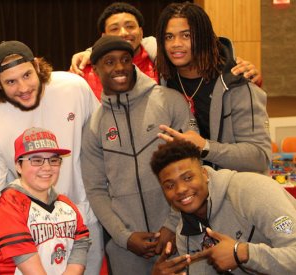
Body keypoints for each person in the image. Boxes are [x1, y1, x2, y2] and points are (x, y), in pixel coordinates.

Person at [0, 40, 103, 274]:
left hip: (83, 220)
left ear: (36, 66)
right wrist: (2, 245)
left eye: (26, 75)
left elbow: (101, 145)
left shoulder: (74, 88)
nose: (23, 88)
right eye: (11, 82)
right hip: (26, 234)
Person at [80, 35, 196, 274]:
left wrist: (173, 224)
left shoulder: (170, 102)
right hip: (126, 251)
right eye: (109, 62)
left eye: (125, 59)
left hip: (180, 237)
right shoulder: (93, 126)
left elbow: (194, 168)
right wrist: (124, 237)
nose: (120, 67)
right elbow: (96, 189)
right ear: (96, 69)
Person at [155, 2, 271, 174]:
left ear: (203, 37)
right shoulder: (161, 81)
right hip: (186, 193)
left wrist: (205, 147)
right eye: (168, 37)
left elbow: (260, 158)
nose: (176, 44)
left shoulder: (237, 83)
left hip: (234, 193)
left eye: (186, 35)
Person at [150, 139, 296, 274]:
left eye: (188, 178)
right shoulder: (184, 235)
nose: (180, 189)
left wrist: (244, 253)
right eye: (170, 185)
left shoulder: (254, 191)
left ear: (204, 174)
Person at [69, 2, 262, 100]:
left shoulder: (160, 60)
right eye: (114, 29)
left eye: (130, 26)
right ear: (103, 36)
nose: (123, 33)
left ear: (141, 32)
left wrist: (236, 67)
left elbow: (207, 58)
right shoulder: (83, 70)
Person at [0, 127, 91, 275]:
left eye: (54, 160)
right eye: (36, 160)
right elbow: (30, 267)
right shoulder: (9, 204)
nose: (47, 167)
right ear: (18, 165)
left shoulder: (67, 205)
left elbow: (81, 241)